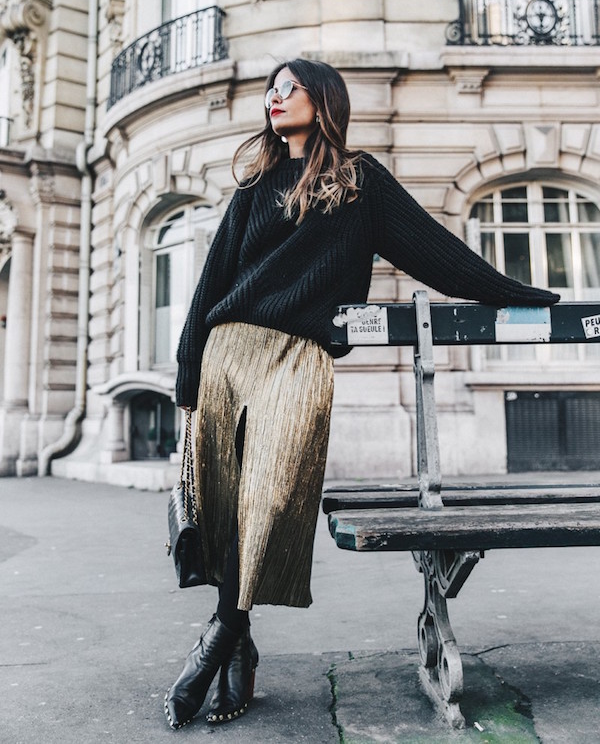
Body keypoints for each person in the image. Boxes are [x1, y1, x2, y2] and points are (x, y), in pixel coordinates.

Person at [164, 58, 559, 730]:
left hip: (297, 359)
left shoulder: (358, 181)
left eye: (289, 88)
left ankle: (220, 638)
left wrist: (516, 293)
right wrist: (187, 373)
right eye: (271, 88)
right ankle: (239, 640)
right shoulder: (254, 187)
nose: (274, 97)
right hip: (227, 355)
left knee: (268, 496)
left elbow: (435, 253)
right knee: (224, 501)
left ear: (323, 100)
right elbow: (210, 286)